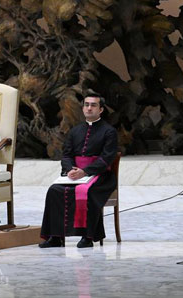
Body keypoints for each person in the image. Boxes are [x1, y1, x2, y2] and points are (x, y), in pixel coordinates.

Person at [38, 93, 118, 248]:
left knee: (88, 192)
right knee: (54, 190)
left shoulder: (109, 131)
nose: (89, 108)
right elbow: (66, 155)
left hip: (100, 176)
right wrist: (69, 170)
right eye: (86, 105)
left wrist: (85, 171)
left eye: (93, 105)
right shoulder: (75, 131)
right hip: (75, 174)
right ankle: (55, 237)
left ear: (101, 109)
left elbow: (106, 158)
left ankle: (87, 237)